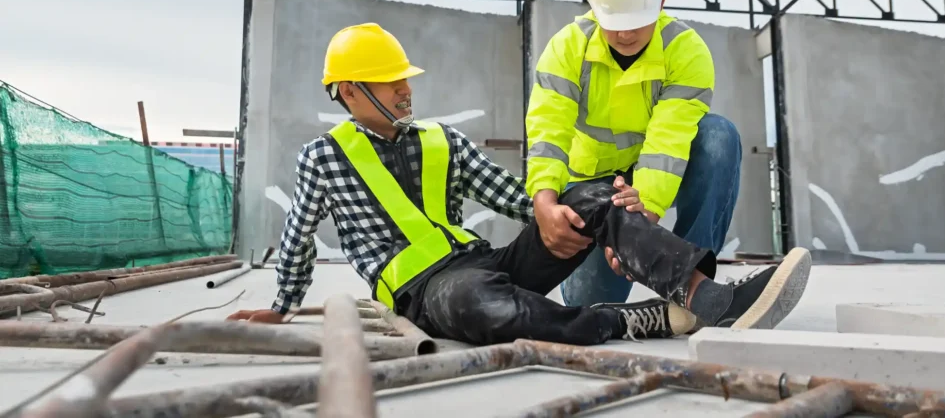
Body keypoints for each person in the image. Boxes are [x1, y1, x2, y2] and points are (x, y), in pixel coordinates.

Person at [226, 22, 812, 346]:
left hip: (486, 258)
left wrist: (552, 209)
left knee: (592, 194)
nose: (407, 91)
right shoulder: (322, 159)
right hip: (422, 293)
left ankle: (705, 296)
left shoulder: (441, 141)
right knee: (477, 306)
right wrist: (281, 308)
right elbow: (298, 237)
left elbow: (512, 194)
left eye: (405, 79)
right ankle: (628, 321)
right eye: (390, 83)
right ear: (350, 91)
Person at [525, 0, 744, 308]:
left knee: (718, 137)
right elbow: (549, 130)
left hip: (650, 185)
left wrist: (645, 214)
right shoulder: (566, 49)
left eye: (636, 21)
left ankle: (691, 286)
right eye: (614, 21)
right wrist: (544, 202)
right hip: (592, 191)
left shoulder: (686, 52)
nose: (625, 33)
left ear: (661, 0)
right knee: (591, 305)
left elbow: (668, 141)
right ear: (593, 3)